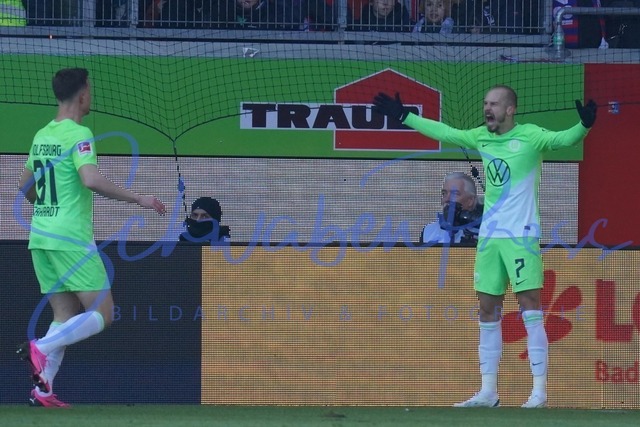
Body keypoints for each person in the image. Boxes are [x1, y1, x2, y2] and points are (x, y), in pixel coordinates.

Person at [373, 85, 597, 408]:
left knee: (531, 309)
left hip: (521, 237)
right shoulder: (481, 137)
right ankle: (488, 392)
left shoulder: (531, 136)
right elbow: (445, 132)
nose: (487, 109)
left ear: (510, 109)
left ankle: (539, 393)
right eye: (485, 104)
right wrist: (405, 116)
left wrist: (584, 125)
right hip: (489, 239)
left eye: (493, 104)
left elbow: (565, 140)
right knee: (487, 310)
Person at [17, 68, 166, 408]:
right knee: (103, 313)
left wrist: (48, 207)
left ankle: (43, 390)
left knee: (65, 313)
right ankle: (40, 347)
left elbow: (24, 185)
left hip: (41, 236)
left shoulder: (42, 134)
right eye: (91, 90)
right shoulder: (80, 133)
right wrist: (138, 198)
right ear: (83, 94)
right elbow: (90, 179)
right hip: (70, 237)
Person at [420, 171, 482, 244]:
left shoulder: (483, 232)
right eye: (444, 193)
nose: (447, 199)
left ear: (470, 200)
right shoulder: (428, 231)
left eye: (455, 193)